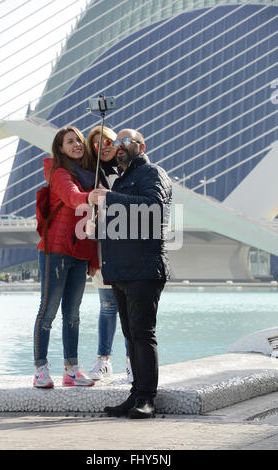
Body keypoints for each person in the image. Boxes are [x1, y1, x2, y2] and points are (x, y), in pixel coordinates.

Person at [88, 128, 172, 418]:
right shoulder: (122, 179)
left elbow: (154, 207)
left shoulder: (152, 173)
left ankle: (147, 398)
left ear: (142, 146)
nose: (119, 146)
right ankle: (135, 394)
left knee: (142, 333)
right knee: (130, 334)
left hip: (144, 268)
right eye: (117, 142)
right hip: (122, 272)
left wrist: (110, 197)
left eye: (126, 141)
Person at [33, 126, 98, 388]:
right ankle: (40, 369)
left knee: (73, 314)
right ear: (60, 148)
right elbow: (73, 198)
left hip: (79, 252)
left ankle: (71, 370)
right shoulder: (59, 173)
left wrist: (93, 259)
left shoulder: (89, 176)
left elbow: (91, 222)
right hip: (56, 252)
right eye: (70, 142)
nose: (77, 145)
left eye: (80, 141)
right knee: (48, 311)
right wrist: (89, 196)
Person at [86, 126, 132, 382]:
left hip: (126, 248)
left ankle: (131, 362)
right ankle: (104, 361)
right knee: (107, 306)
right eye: (96, 143)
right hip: (102, 249)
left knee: (129, 307)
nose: (103, 146)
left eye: (108, 141)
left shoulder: (129, 171)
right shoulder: (89, 175)